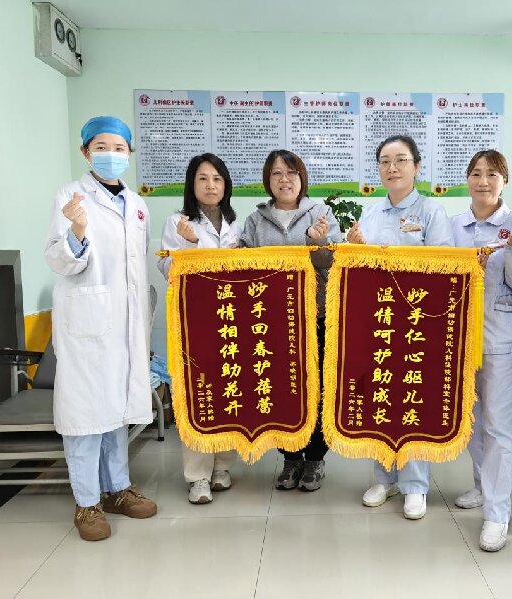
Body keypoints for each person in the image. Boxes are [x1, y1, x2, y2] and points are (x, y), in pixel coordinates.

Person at [45, 116, 157, 542]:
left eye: (119, 148)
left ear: (130, 153)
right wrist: (76, 230)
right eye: (102, 147)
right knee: (86, 416)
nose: (111, 154)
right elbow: (58, 260)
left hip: (125, 324)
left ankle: (118, 490)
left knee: (117, 411)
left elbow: (136, 265)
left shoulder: (138, 204)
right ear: (86, 151)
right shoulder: (71, 197)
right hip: (87, 324)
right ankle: (87, 502)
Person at [346, 134, 453, 520]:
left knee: (412, 400)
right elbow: (357, 269)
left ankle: (415, 485)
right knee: (379, 397)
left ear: (417, 167)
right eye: (385, 161)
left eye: (401, 160)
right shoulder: (370, 214)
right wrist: (354, 247)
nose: (392, 168)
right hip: (378, 322)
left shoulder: (432, 212)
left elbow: (443, 266)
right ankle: (384, 477)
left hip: (416, 323)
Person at [240, 149, 341, 491]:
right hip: (272, 320)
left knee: (318, 387)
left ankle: (315, 458)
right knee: (282, 388)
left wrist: (319, 240)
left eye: (292, 173)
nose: (285, 179)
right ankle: (290, 456)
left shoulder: (322, 213)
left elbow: (333, 263)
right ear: (268, 180)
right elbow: (241, 266)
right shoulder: (255, 221)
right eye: (277, 173)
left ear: (302, 178)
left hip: (316, 314)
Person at [450, 150, 512, 551]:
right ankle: (483, 485)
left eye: (493, 174)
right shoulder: (453, 226)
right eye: (477, 173)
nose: (483, 181)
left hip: (500, 339)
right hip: (457, 340)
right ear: (468, 179)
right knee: (472, 422)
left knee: (499, 426)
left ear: (504, 181)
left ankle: (497, 514)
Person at [158, 153, 241, 504]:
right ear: (192, 185)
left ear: (226, 185)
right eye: (203, 179)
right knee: (197, 393)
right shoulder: (178, 223)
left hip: (230, 318)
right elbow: (167, 271)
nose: (211, 186)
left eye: (217, 179)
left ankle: (222, 465)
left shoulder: (235, 224)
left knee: (229, 390)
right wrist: (190, 245)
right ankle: (197, 477)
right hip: (194, 320)